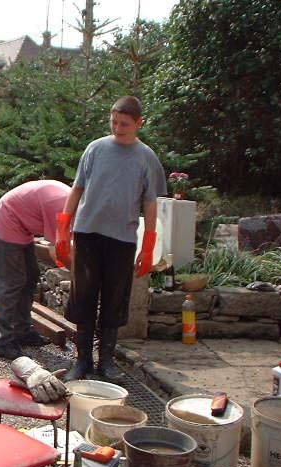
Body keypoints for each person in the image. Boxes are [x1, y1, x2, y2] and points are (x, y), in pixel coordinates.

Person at [57, 96, 166, 381]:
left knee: (115, 299)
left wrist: (149, 244)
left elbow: (150, 203)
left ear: (139, 123)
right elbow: (77, 188)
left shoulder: (146, 158)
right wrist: (63, 228)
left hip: (122, 238)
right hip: (87, 233)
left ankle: (107, 361)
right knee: (83, 296)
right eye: (113, 122)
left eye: (124, 124)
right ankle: (82, 361)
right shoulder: (95, 149)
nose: (117, 129)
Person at [0, 180, 71, 360]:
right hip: (6, 221)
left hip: (21, 226)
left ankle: (22, 330)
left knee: (30, 277)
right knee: (10, 282)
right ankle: (2, 342)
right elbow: (57, 250)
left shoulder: (73, 204)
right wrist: (76, 273)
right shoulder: (60, 206)